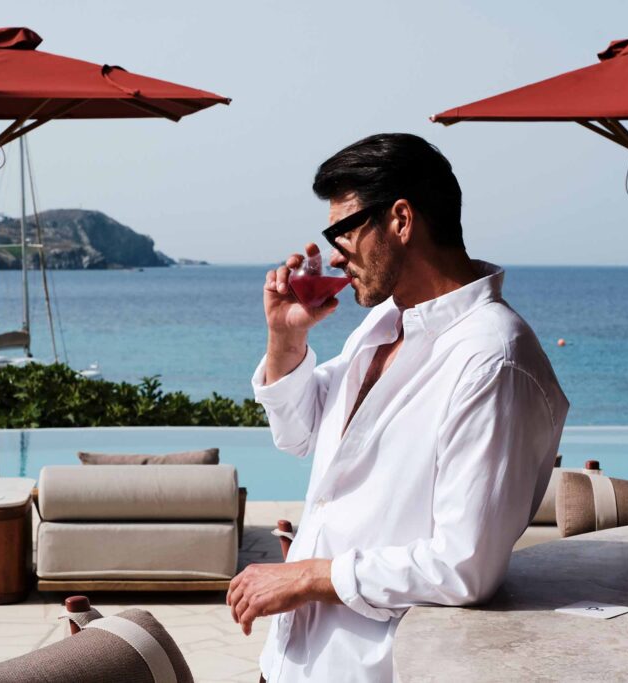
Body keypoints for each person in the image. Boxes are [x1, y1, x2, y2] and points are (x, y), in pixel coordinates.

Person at [226, 133, 569, 682]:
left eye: (343, 231)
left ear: (402, 220)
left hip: (374, 669)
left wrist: (311, 576)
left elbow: (466, 566)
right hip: (291, 660)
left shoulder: (492, 362)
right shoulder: (385, 325)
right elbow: (299, 435)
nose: (336, 254)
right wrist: (285, 340)